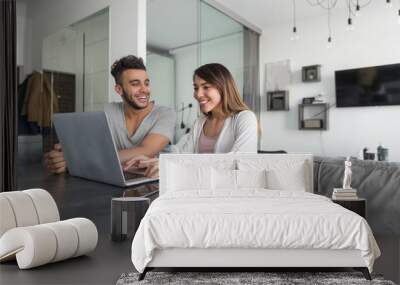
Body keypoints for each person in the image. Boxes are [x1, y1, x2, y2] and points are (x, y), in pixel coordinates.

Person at [44, 55, 176, 174]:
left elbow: (146, 150)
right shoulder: (109, 111)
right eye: (135, 84)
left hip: (153, 185)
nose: (144, 90)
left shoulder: (165, 114)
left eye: (146, 83)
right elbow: (85, 145)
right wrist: (64, 155)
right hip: (115, 180)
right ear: (119, 89)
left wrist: (77, 159)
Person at [123, 63, 258, 178]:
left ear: (223, 88)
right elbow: (180, 153)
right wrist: (151, 162)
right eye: (196, 88)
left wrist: (172, 167)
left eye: (206, 87)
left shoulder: (245, 118)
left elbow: (238, 162)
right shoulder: (200, 122)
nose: (198, 94)